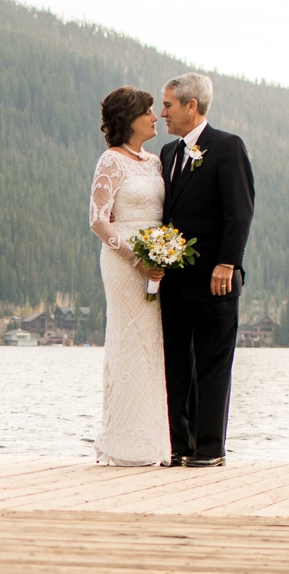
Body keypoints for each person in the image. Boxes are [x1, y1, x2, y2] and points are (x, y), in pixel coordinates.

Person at [156, 72, 253, 466]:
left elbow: (240, 210)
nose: (162, 113)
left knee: (212, 365)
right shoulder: (167, 153)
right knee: (177, 363)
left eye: (168, 105)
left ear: (191, 106)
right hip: (174, 282)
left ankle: (210, 449)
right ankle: (181, 447)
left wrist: (227, 262)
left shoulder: (227, 147)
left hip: (216, 279)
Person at [87, 86, 172, 465]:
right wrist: (136, 258)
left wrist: (165, 253)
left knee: (152, 345)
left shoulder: (154, 163)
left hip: (158, 259)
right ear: (129, 119)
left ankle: (154, 440)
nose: (156, 117)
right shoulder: (111, 160)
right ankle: (123, 442)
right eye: (149, 111)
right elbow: (98, 220)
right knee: (128, 342)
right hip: (124, 263)